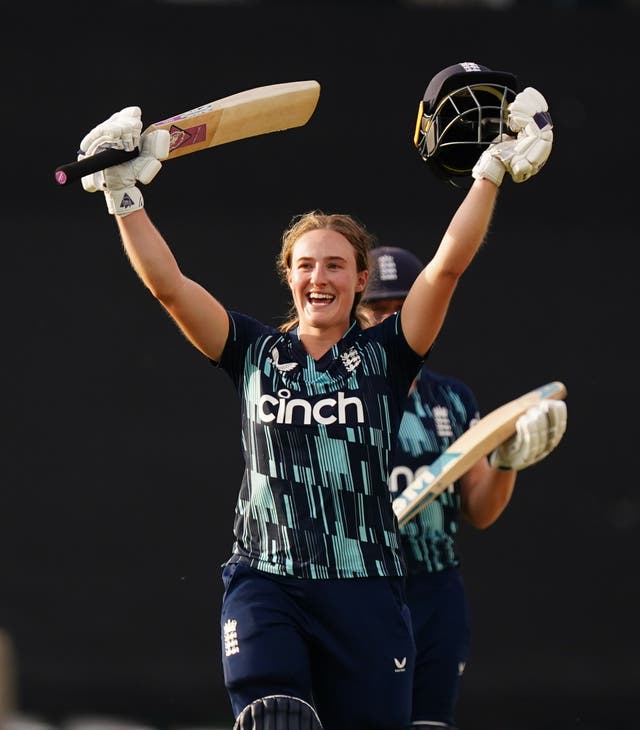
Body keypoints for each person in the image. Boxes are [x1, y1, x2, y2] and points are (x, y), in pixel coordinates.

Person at [72, 65, 553, 729]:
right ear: (288, 278)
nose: (317, 277)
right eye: (304, 264)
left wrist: (491, 171)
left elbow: (446, 265)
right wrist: (124, 198)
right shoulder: (254, 352)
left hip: (365, 590)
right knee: (276, 717)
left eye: (334, 265)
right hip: (267, 580)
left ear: (360, 281)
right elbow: (171, 288)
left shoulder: (387, 357)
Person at [363, 245, 567, 730]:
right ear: (356, 315)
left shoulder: (451, 400)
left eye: (403, 307)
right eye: (378, 310)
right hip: (361, 588)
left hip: (435, 591)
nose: (393, 320)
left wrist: (506, 463)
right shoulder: (336, 395)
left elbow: (480, 510)